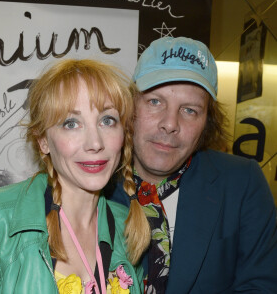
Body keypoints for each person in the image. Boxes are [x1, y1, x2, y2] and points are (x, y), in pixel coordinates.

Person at [108, 37, 277, 293]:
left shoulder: (242, 182)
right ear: (130, 106)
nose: (170, 123)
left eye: (189, 110)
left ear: (207, 122)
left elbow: (262, 284)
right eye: (155, 101)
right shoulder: (94, 181)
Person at [0, 59, 150, 294]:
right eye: (71, 123)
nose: (95, 143)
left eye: (107, 120)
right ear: (43, 141)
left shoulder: (126, 225)